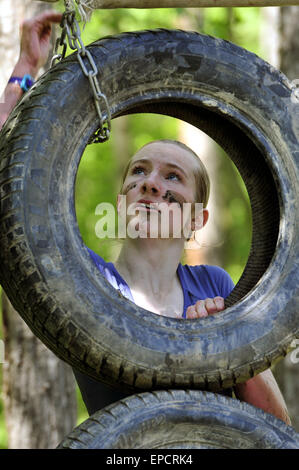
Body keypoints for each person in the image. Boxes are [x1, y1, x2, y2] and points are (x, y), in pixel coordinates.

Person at [0, 12, 292, 427]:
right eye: (139, 171)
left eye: (173, 176)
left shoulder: (214, 287)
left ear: (196, 219)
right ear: (121, 205)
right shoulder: (85, 281)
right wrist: (26, 68)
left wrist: (227, 341)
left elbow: (276, 426)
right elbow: (10, 189)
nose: (151, 183)